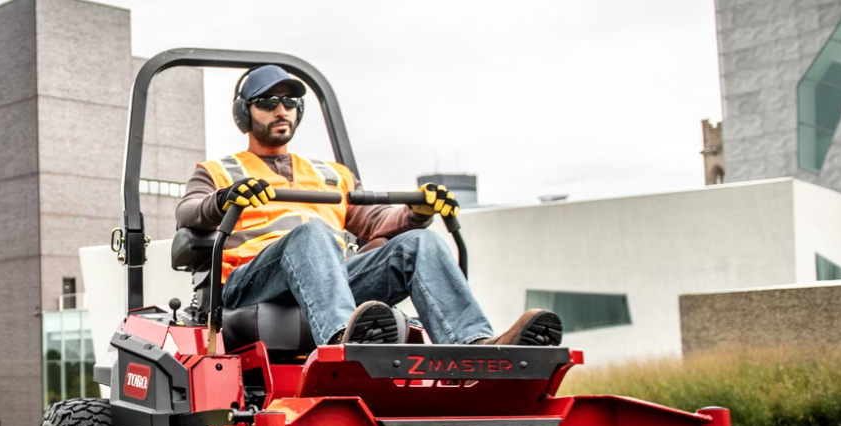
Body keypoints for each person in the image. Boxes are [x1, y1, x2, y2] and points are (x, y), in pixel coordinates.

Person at [175, 65, 562, 347]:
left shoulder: (332, 173)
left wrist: (418, 214)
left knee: (419, 243)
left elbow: (373, 221)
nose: (282, 110)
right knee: (311, 234)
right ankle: (346, 344)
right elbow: (188, 212)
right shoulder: (218, 170)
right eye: (269, 102)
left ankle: (476, 345)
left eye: (291, 102)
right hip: (253, 284)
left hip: (330, 279)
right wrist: (224, 198)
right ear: (244, 113)